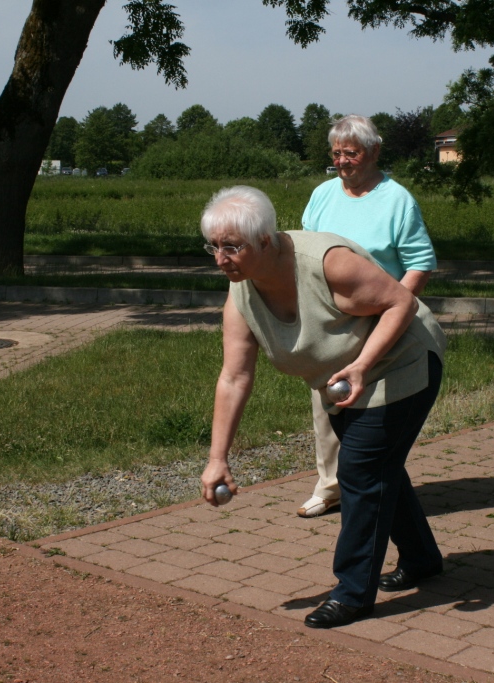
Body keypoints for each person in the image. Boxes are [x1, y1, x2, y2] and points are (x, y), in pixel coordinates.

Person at [198, 186, 446, 629]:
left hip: (401, 362)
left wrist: (362, 366)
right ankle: (423, 559)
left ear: (266, 241)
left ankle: (352, 594)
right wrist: (218, 459)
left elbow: (401, 302)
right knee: (376, 466)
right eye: (214, 246)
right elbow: (234, 376)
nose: (221, 258)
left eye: (232, 247)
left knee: (361, 471)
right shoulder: (241, 296)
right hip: (344, 379)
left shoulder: (325, 262)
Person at [298, 114, 437, 519]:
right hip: (329, 319)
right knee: (327, 401)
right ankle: (330, 487)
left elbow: (420, 262)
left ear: (374, 152)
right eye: (337, 153)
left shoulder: (397, 199)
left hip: (381, 320)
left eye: (352, 153)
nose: (343, 162)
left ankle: (370, 482)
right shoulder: (323, 194)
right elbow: (306, 249)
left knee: (373, 407)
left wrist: (396, 305)